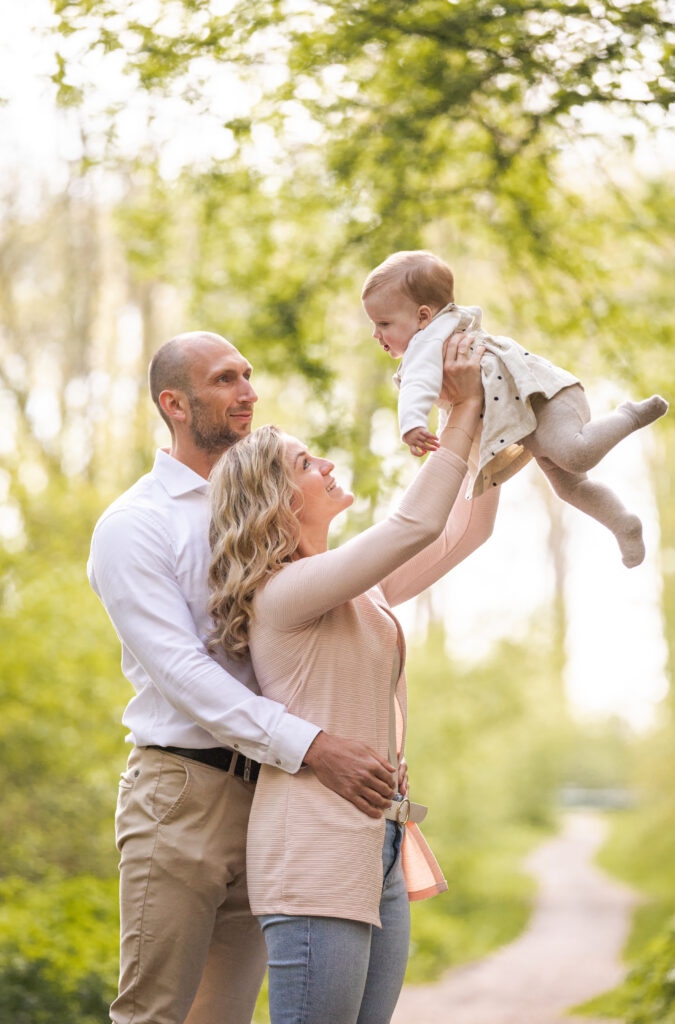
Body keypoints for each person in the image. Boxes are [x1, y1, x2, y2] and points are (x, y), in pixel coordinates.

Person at [87, 331, 401, 1024]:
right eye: (225, 379)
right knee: (155, 1014)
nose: (248, 392)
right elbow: (181, 673)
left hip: (272, 795)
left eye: (248, 375)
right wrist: (315, 744)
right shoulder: (134, 525)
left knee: (221, 1014)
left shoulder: (265, 505)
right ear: (174, 403)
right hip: (182, 794)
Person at [206, 333, 498, 1024]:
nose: (326, 463)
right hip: (312, 852)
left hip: (378, 840)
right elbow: (412, 524)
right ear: (275, 499)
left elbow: (462, 530)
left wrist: (488, 421)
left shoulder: (355, 591)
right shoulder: (284, 592)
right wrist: (456, 416)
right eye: (305, 463)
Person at [362, 249, 668, 568]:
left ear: (424, 316)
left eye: (383, 323)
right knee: (571, 488)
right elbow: (450, 404)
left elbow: (418, 385)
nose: (375, 334)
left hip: (543, 400)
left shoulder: (426, 343)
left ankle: (628, 415)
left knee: (576, 455)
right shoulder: (445, 331)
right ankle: (624, 524)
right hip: (533, 421)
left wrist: (411, 424)